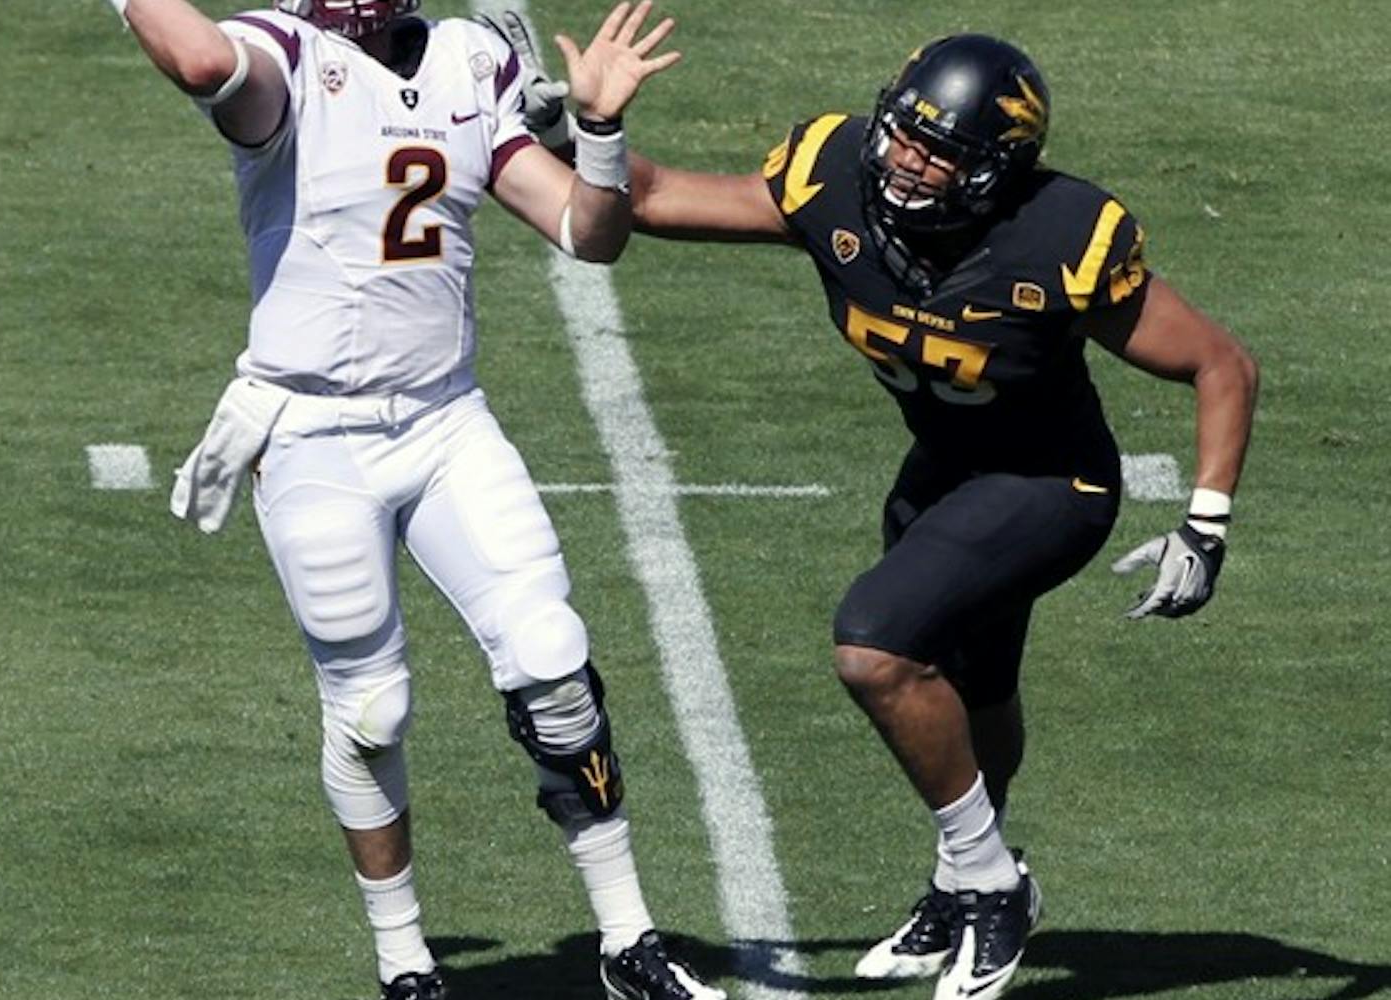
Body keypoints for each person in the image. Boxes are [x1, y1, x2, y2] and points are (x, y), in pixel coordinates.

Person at [494, 23, 1258, 1000]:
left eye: (937, 150)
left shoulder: (1062, 236)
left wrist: (1206, 522)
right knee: (976, 692)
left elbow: (1221, 362)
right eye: (903, 132)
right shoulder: (833, 174)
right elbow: (647, 198)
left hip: (1050, 487)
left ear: (997, 168)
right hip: (941, 473)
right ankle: (958, 878)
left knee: (875, 646)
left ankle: (990, 884)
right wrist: (585, 132)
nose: (904, 158)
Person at [96, 1, 729, 998]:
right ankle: (405, 962)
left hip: (444, 423)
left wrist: (600, 134)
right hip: (313, 435)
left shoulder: (469, 59)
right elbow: (201, 60)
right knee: (371, 710)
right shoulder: (289, 57)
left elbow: (587, 232)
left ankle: (627, 940)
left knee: (553, 662)